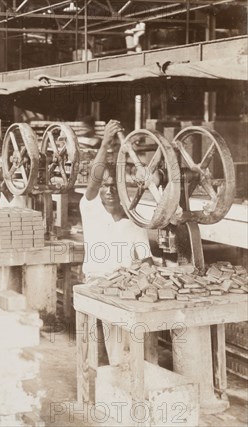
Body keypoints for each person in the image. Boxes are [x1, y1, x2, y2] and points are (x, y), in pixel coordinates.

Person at [80, 119, 153, 365]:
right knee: (103, 343)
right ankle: (106, 376)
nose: (109, 190)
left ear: (125, 189)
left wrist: (145, 278)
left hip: (124, 286)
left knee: (129, 335)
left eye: (115, 186)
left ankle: (126, 373)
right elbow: (94, 178)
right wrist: (105, 143)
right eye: (105, 186)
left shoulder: (134, 220)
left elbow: (146, 260)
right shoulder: (90, 209)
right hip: (95, 281)